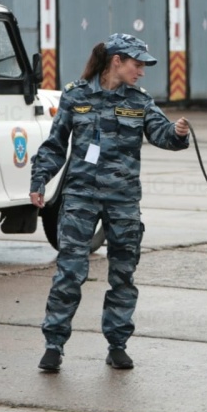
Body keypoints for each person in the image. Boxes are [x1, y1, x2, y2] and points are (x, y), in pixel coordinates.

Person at [30, 33, 190, 372]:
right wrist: (39, 179)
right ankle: (54, 345)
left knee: (123, 273)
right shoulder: (76, 95)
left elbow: (161, 134)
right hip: (80, 198)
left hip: (124, 201)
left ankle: (117, 345)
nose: (142, 72)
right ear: (116, 60)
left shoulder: (140, 101)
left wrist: (177, 133)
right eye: (137, 64)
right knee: (69, 272)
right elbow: (55, 144)